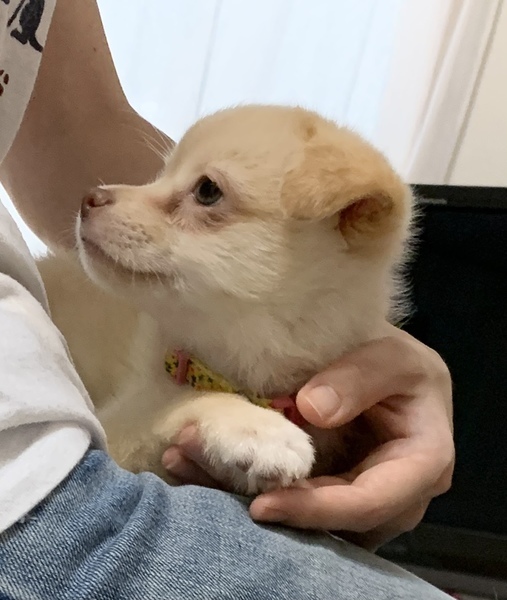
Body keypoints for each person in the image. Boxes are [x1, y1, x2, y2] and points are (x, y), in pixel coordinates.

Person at [0, 1, 454, 598]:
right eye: (206, 191)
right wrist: (200, 413)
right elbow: (113, 444)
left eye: (206, 193)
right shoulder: (150, 346)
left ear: (351, 219)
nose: (106, 197)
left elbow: (66, 121)